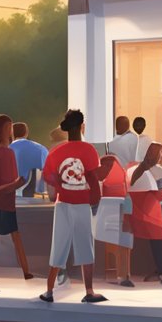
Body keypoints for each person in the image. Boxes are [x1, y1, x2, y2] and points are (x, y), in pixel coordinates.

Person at [39, 109, 106, 303]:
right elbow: (93, 179)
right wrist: (96, 200)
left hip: (62, 204)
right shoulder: (89, 151)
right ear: (82, 126)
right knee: (86, 245)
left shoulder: (56, 152)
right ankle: (89, 290)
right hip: (82, 204)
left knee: (58, 245)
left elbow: (49, 178)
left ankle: (49, 291)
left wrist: (60, 183)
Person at [0, 114, 34, 293]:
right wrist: (17, 183)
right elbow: (9, 182)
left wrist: (9, 186)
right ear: (6, 129)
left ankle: (25, 271)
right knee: (0, 238)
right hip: (3, 202)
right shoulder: (8, 153)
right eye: (10, 127)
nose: (12, 131)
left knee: (1, 237)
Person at [129, 142, 162, 285]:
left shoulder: (138, 170)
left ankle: (159, 270)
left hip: (138, 215)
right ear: (158, 156)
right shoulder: (157, 171)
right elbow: (160, 193)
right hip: (151, 215)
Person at [95, 153, 133, 286]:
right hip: (113, 221)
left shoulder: (100, 179)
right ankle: (123, 275)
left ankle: (122, 274)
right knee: (124, 237)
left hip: (104, 223)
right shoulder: (122, 176)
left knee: (123, 237)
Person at [11, 123, 48, 198]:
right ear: (26, 133)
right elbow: (47, 173)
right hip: (34, 199)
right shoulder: (41, 149)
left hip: (9, 197)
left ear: (11, 134)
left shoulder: (6, 148)